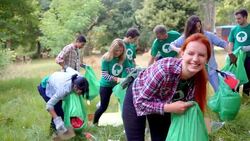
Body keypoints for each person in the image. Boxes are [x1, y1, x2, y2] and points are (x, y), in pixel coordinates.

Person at [122, 33, 211, 141]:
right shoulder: (164, 70)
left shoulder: (200, 78)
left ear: (207, 59)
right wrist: (169, 108)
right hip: (138, 98)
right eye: (191, 53)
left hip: (165, 102)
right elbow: (140, 103)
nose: (195, 59)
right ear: (182, 53)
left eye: (201, 55)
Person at [170, 15, 231, 93]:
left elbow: (223, 43)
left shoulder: (208, 35)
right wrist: (178, 50)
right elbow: (172, 45)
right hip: (195, 72)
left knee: (219, 91)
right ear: (190, 28)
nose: (198, 29)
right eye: (195, 28)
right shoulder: (186, 37)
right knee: (195, 94)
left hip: (211, 70)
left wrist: (230, 53)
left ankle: (223, 104)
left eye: (199, 26)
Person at [37, 67, 89, 134]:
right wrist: (57, 121)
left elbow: (67, 68)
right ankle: (55, 134)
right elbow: (49, 105)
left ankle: (57, 132)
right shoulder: (64, 90)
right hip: (45, 87)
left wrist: (62, 63)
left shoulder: (78, 76)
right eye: (80, 92)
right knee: (58, 112)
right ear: (75, 87)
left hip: (54, 81)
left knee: (59, 111)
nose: (80, 94)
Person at [93, 38, 131, 125]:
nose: (118, 52)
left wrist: (132, 72)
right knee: (103, 106)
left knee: (124, 104)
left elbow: (128, 69)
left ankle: (127, 124)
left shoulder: (124, 58)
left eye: (121, 51)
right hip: (106, 85)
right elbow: (105, 75)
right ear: (112, 49)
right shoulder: (106, 58)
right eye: (116, 50)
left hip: (118, 85)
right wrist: (116, 79)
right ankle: (95, 123)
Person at [228, 9, 250, 96]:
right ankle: (234, 95)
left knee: (248, 77)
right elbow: (231, 43)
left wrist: (247, 48)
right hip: (236, 58)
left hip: (248, 57)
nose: (237, 20)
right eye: (236, 19)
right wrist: (230, 54)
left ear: (245, 17)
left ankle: (245, 95)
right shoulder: (234, 29)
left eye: (239, 18)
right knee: (233, 76)